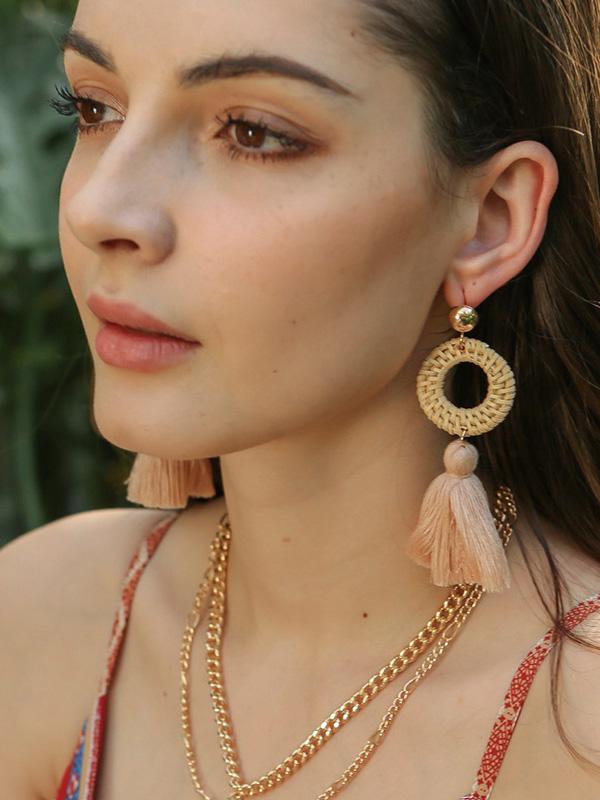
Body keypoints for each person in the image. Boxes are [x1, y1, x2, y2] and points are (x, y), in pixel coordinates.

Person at [1, 0, 600, 798]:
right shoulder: (45, 621)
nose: (97, 209)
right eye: (93, 108)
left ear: (489, 221)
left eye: (253, 133)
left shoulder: (578, 725)